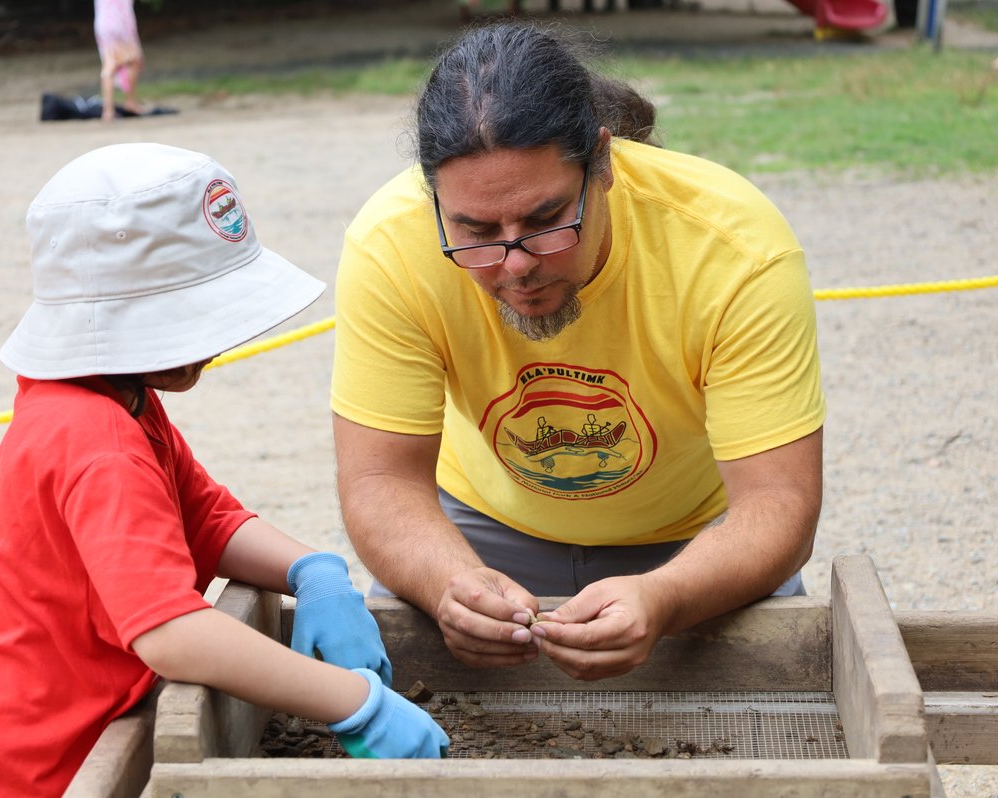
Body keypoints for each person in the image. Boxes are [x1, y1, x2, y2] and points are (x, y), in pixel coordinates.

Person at [0, 143, 448, 798]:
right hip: (3, 777)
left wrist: (312, 571)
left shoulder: (116, 401)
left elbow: (206, 519)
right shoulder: (97, 442)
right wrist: (352, 702)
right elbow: (172, 634)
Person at [330, 22, 825, 682]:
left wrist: (667, 596)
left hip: (693, 542)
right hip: (478, 531)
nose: (515, 264)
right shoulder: (390, 244)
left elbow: (777, 503)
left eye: (545, 220)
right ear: (433, 198)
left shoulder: (735, 248)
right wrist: (450, 582)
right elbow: (381, 482)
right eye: (475, 231)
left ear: (604, 163)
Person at [94, 0, 146, 121]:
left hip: (103, 23)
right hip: (120, 22)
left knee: (110, 64)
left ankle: (109, 110)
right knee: (134, 58)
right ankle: (129, 102)